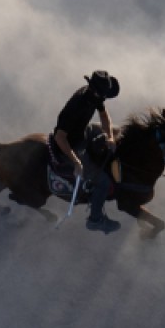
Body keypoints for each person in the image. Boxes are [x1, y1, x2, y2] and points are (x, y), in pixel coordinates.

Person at [52, 70, 121, 233]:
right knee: (103, 181)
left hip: (84, 132)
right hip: (71, 144)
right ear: (93, 89)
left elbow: (104, 116)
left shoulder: (96, 95)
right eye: (102, 95)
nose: (103, 98)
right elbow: (59, 137)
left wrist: (110, 137)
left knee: (118, 132)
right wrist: (76, 161)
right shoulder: (77, 105)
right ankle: (95, 220)